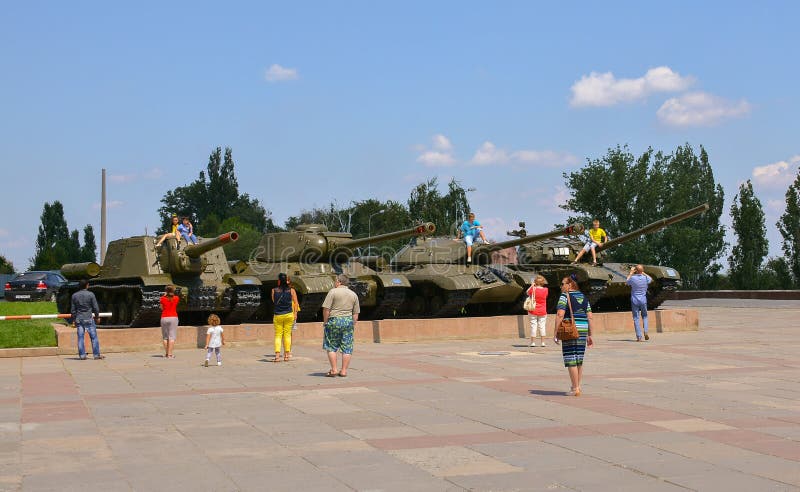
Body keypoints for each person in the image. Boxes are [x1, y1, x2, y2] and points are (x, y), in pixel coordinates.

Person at [553, 275, 593, 396]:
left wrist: (555, 332)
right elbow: (590, 316)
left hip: (570, 330)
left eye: (563, 283)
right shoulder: (583, 296)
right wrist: (590, 334)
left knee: (571, 359)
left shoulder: (565, 296)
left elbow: (560, 314)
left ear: (570, 284)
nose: (561, 286)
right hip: (583, 330)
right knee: (579, 359)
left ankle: (575, 388)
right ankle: (577, 386)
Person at [321, 274, 360, 377]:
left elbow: (326, 309)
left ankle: (334, 370)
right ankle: (343, 371)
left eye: (335, 281)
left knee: (331, 346)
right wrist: (352, 324)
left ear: (339, 282)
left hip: (334, 321)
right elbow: (355, 313)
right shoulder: (353, 294)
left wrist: (325, 322)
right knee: (347, 347)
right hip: (348, 321)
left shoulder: (332, 292)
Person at [71, 279, 104, 360]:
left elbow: (73, 310)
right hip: (89, 318)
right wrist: (97, 317)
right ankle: (96, 355)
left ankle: (82, 355)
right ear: (87, 285)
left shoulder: (74, 295)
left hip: (79, 319)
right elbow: (95, 307)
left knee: (80, 337)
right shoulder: (91, 294)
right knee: (94, 337)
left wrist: (74, 320)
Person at [272, 273, 299, 362]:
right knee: (287, 335)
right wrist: (295, 314)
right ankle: (286, 355)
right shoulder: (291, 290)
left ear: (279, 281)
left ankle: (277, 356)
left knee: (278, 335)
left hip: (278, 315)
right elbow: (295, 303)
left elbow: (274, 301)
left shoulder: (273, 290)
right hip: (289, 315)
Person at [626, 264, 653, 342]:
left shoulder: (633, 278)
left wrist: (631, 272)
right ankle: (646, 331)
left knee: (636, 318)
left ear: (636, 271)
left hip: (634, 300)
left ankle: (639, 337)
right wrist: (642, 272)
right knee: (645, 316)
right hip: (643, 300)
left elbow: (627, 281)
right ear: (642, 270)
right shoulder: (645, 278)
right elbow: (650, 279)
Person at [526, 275, 549, 347]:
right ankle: (543, 342)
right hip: (543, 311)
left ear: (535, 282)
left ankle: (533, 342)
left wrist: (532, 285)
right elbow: (545, 297)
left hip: (533, 310)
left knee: (533, 326)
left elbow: (527, 292)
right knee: (542, 326)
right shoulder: (546, 290)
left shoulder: (533, 289)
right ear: (543, 282)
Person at [160, 285, 180, 359]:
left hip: (164, 317)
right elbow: (173, 299)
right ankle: (170, 355)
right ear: (173, 291)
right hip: (173, 317)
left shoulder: (162, 298)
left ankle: (166, 354)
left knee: (165, 337)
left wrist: (165, 296)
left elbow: (161, 308)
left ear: (166, 291)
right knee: (172, 337)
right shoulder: (176, 298)